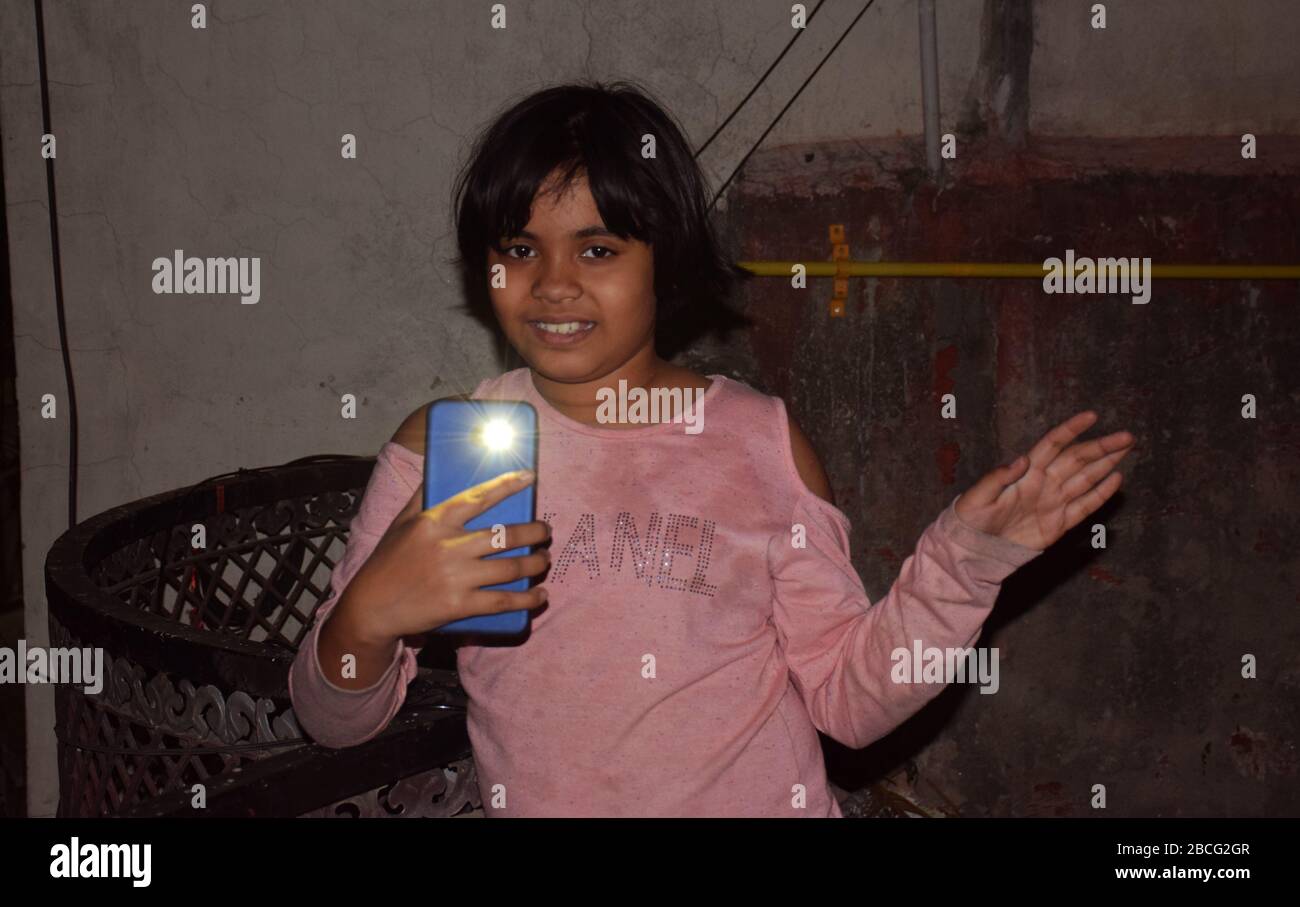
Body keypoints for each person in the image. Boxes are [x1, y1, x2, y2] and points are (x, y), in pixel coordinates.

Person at [288, 80, 1134, 817]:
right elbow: (332, 720)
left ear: (667, 262)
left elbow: (846, 697)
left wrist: (964, 567)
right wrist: (369, 612)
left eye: (598, 248)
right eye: (519, 248)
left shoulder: (758, 443)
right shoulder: (440, 456)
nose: (552, 282)